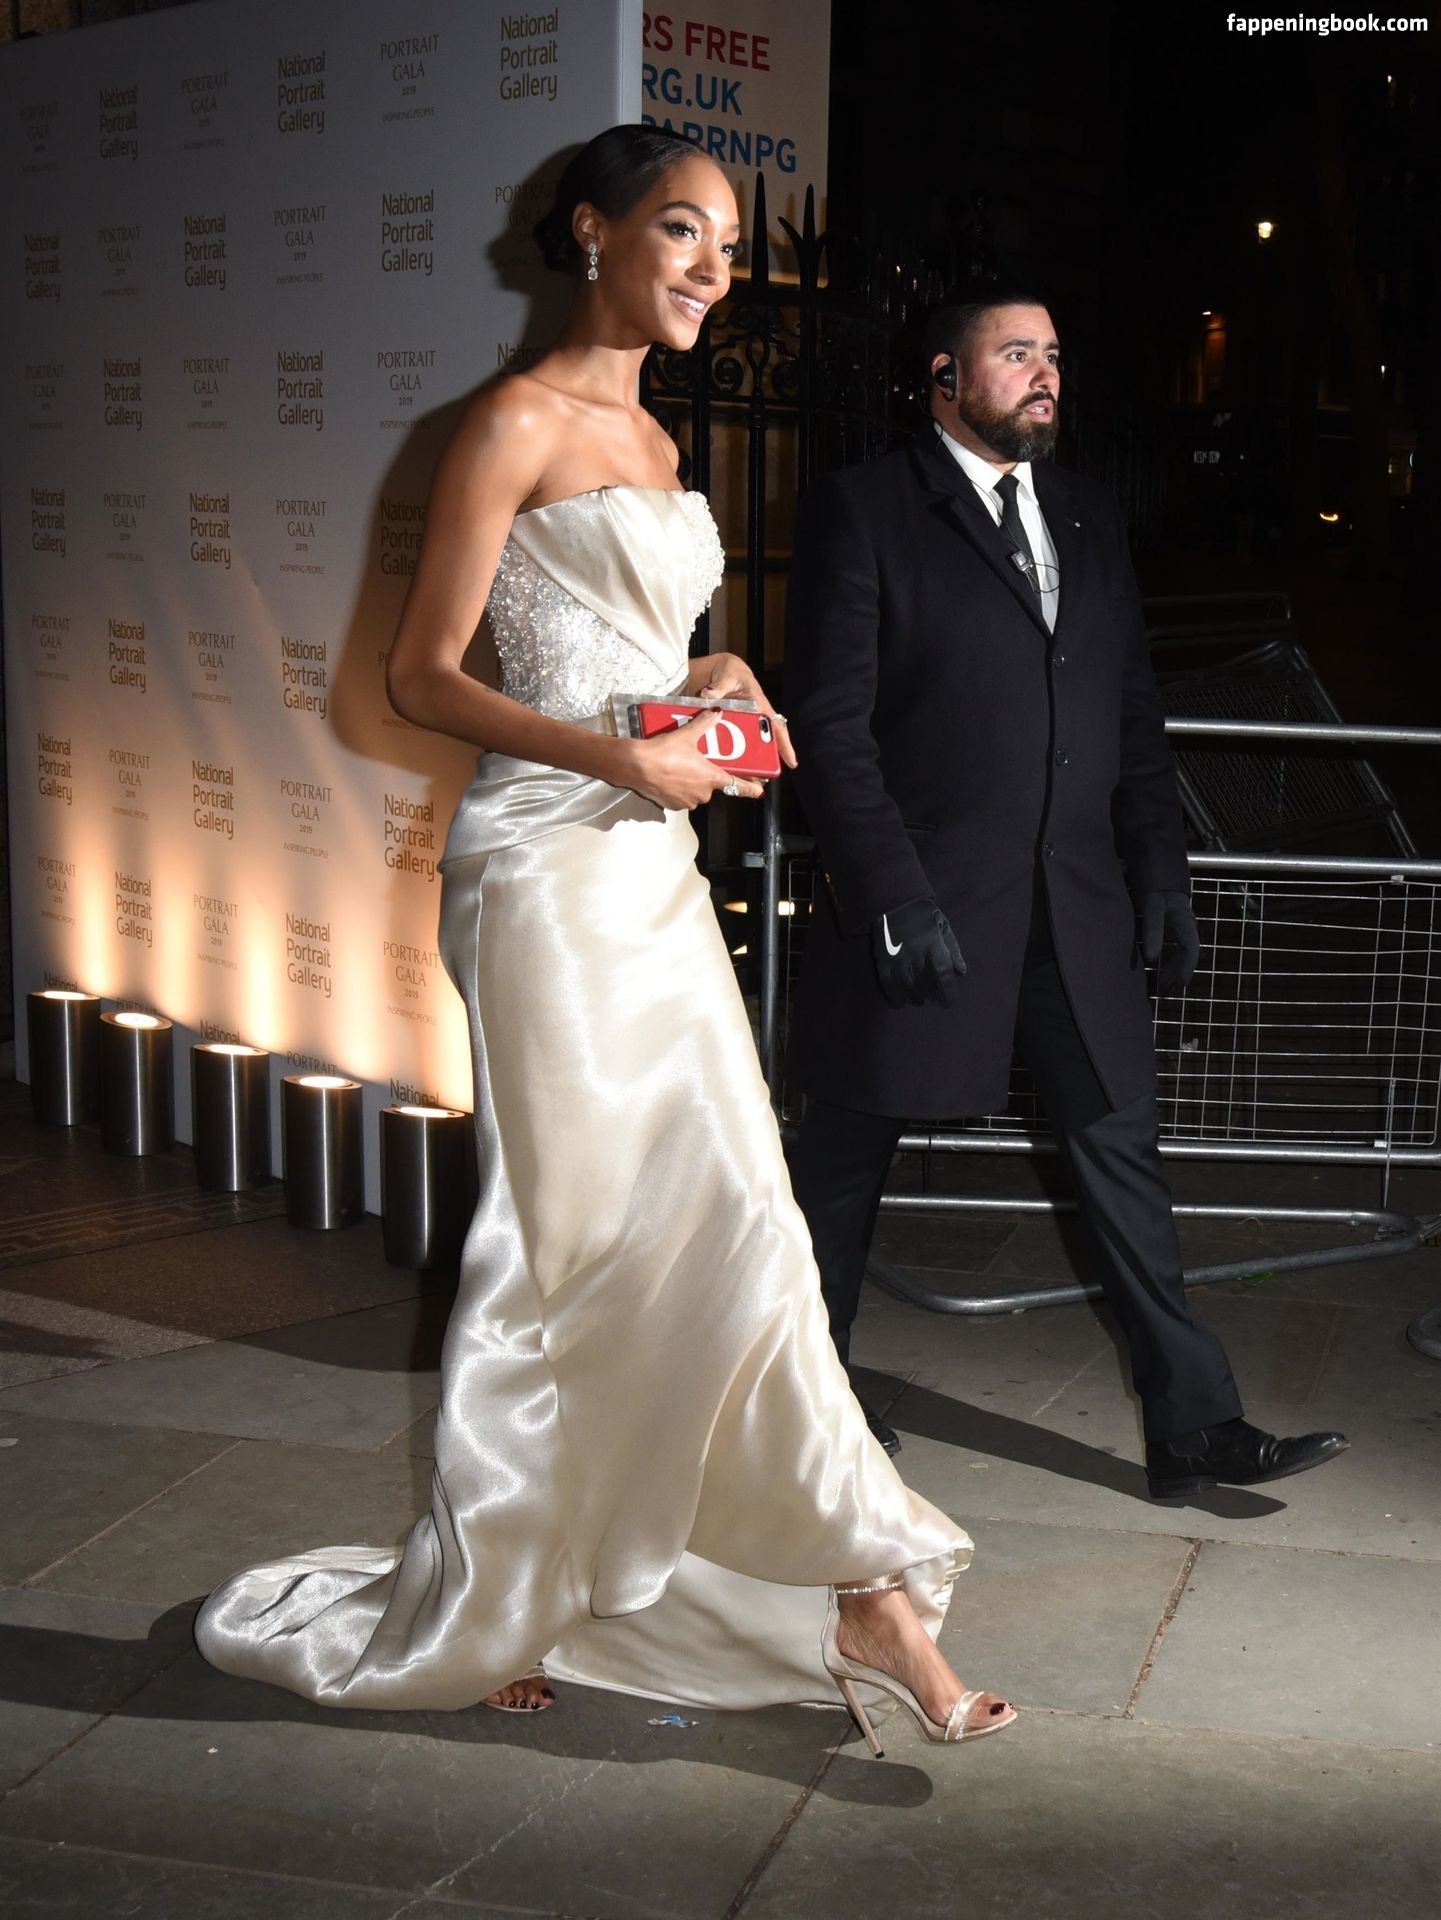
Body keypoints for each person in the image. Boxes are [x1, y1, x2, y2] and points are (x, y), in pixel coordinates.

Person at [195, 129, 1015, 1754]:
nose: (716, 266)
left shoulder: (653, 434)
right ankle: (516, 1591)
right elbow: (417, 677)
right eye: (684, 231)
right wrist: (612, 759)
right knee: (563, 1244)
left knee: (734, 1211)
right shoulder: (511, 421)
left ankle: (859, 1590)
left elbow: (629, 648)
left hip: (649, 868)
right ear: (595, 232)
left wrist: (713, 683)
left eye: (729, 242)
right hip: (542, 874)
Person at [783, 290, 1349, 1500]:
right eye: (1016, 354)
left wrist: (1160, 872)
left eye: (1052, 355)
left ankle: (1193, 1426)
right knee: (842, 1159)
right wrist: (889, 893)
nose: (1045, 374)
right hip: (927, 900)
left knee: (1118, 1149)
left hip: (1074, 904)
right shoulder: (867, 507)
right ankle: (803, 1402)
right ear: (944, 377)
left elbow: (1130, 712)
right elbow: (830, 727)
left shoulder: (1086, 514)